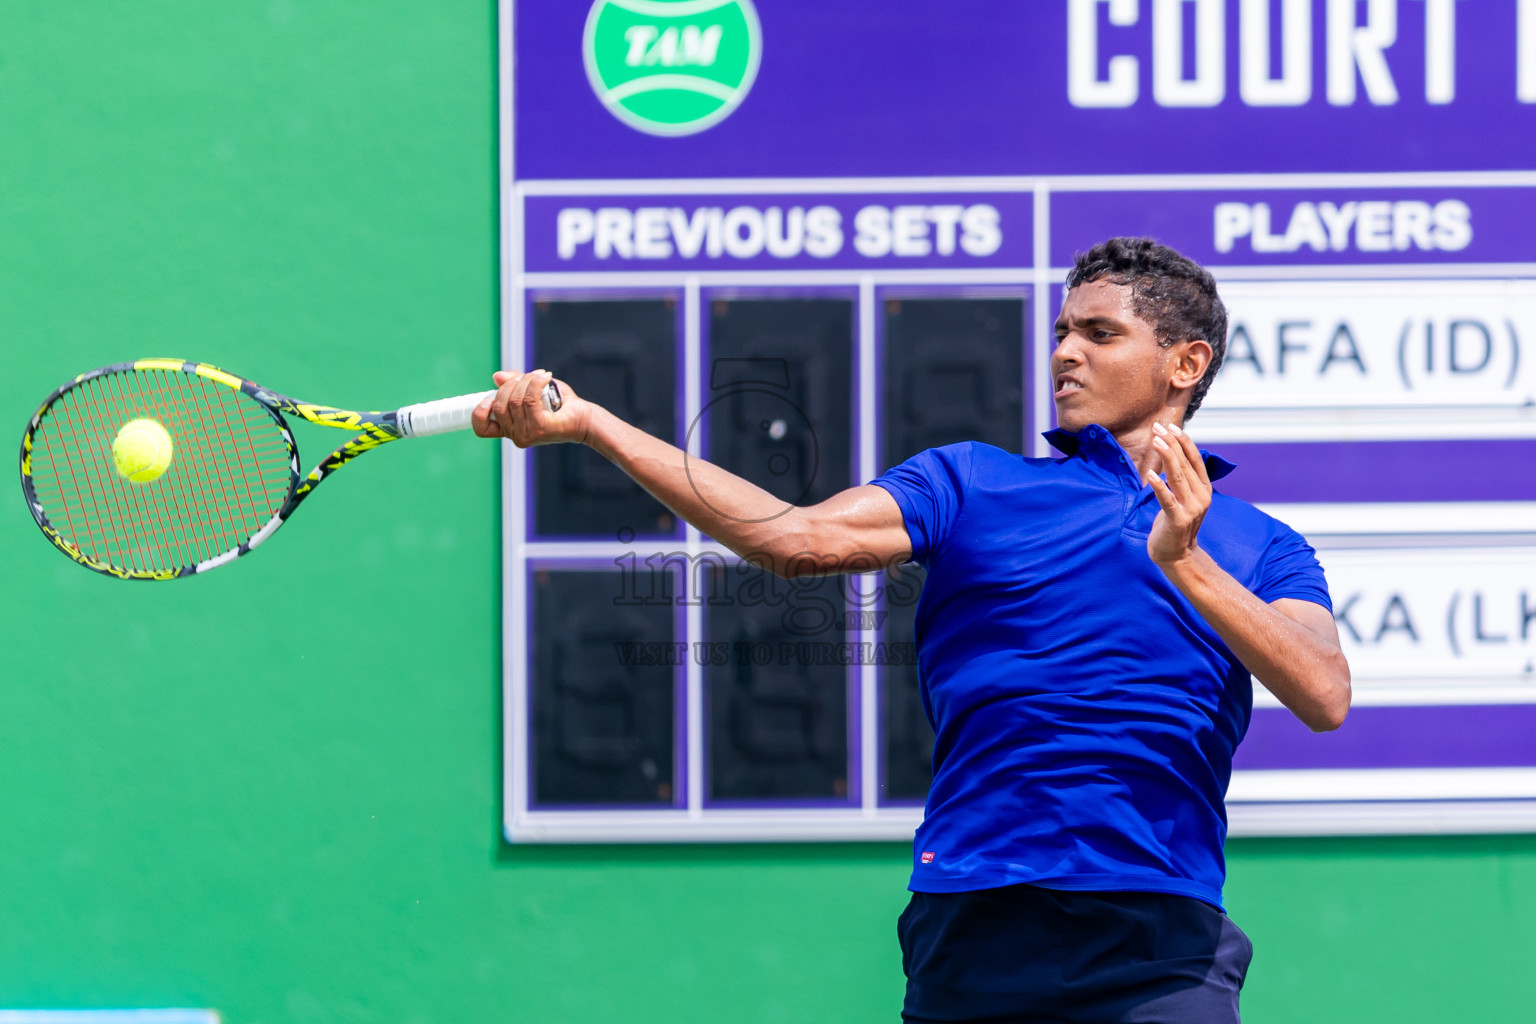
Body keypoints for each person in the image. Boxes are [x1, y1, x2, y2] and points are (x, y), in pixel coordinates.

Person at [473, 236, 1351, 1023]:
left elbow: (1322, 694)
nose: (1064, 353)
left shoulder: (1262, 544)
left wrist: (1186, 561)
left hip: (1159, 940)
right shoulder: (969, 482)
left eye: (1099, 333)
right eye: (1060, 332)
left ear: (1185, 363)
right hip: (975, 928)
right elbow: (794, 538)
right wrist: (593, 425)